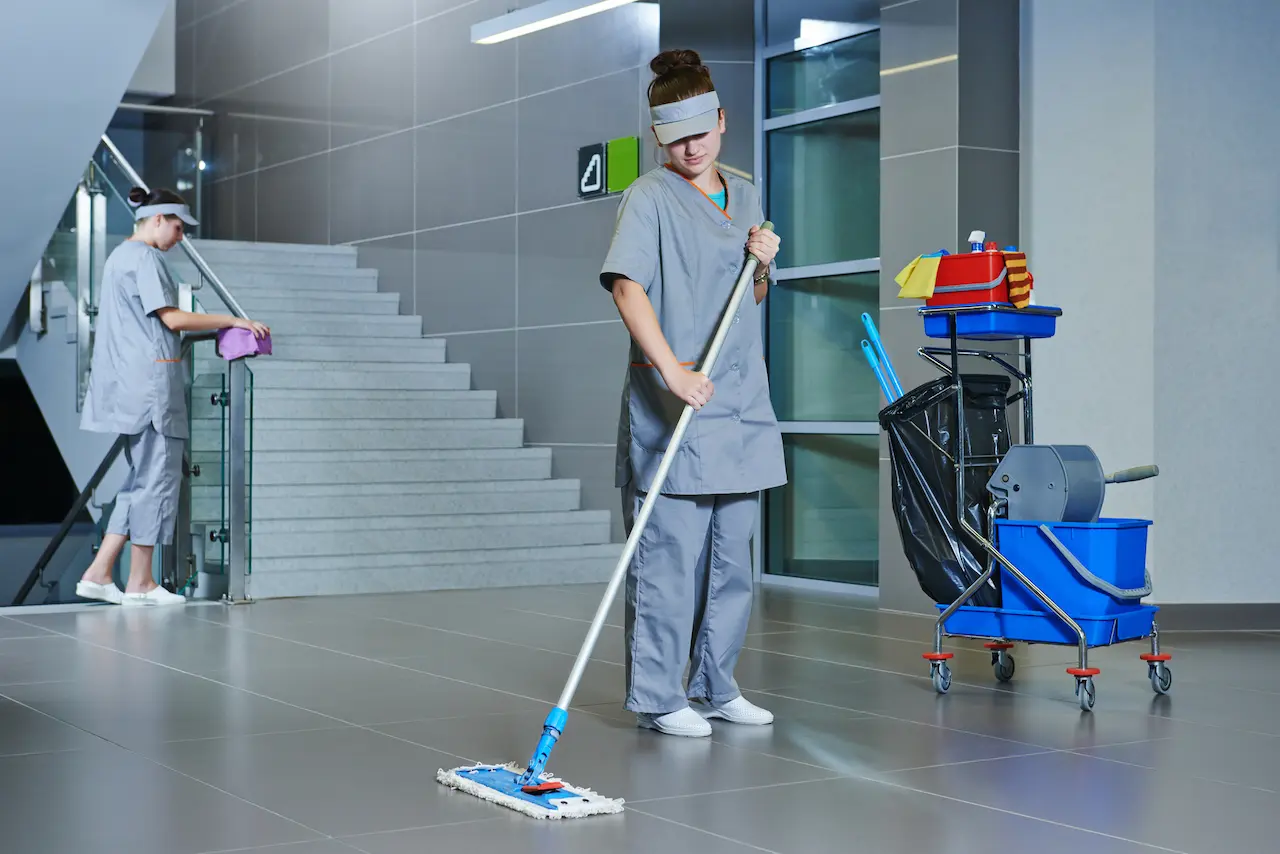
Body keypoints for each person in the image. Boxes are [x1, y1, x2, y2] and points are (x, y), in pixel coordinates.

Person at [600, 50, 786, 737]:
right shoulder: (647, 197)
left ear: (722, 121)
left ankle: (717, 684)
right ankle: (657, 697)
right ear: (658, 138)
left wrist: (763, 264)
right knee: (670, 561)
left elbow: (753, 297)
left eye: (700, 131)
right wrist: (672, 372)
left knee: (734, 558)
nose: (691, 146)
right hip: (674, 398)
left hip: (740, 403)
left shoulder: (746, 191)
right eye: (676, 137)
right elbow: (627, 286)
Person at [75, 187, 269, 607]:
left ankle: (98, 572)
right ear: (158, 218)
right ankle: (141, 583)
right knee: (159, 481)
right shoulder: (145, 258)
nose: (180, 238)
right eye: (178, 228)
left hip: (129, 388)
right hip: (151, 390)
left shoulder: (117, 258)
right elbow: (173, 317)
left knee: (139, 482)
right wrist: (233, 319)